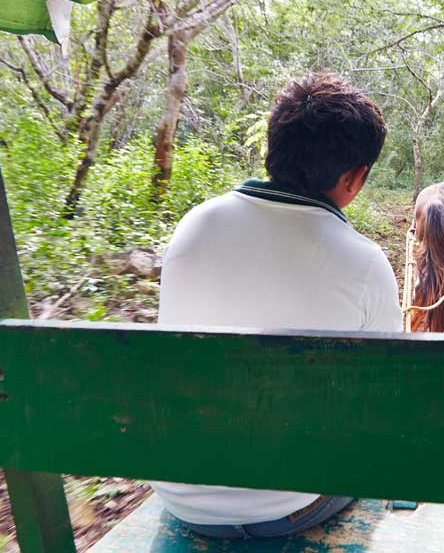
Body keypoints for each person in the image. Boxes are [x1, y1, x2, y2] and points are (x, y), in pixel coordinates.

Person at [150, 72, 402, 539]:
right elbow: (383, 399)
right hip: (294, 504)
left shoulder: (194, 225)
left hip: (180, 496)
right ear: (353, 177)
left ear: (273, 148)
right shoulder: (364, 262)